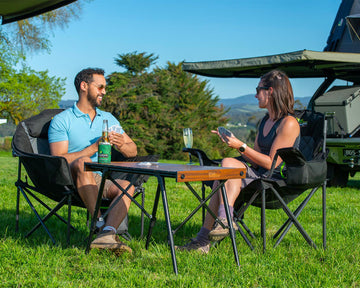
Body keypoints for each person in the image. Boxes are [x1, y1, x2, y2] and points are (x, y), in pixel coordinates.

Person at [176, 69, 300, 253]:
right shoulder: (266, 121)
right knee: (225, 170)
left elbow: (270, 164)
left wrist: (240, 146)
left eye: (258, 90)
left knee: (224, 171)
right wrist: (233, 143)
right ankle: (222, 224)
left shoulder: (288, 123)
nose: (256, 94)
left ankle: (206, 237)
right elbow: (256, 160)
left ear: (271, 91)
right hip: (258, 173)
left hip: (274, 180)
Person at [48, 68, 137, 255]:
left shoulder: (107, 118)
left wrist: (122, 144)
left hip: (100, 177)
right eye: (100, 87)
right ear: (84, 86)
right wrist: (92, 149)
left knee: (127, 187)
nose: (104, 91)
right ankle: (98, 224)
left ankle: (107, 234)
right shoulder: (62, 120)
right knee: (83, 162)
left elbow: (133, 150)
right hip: (71, 177)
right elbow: (58, 158)